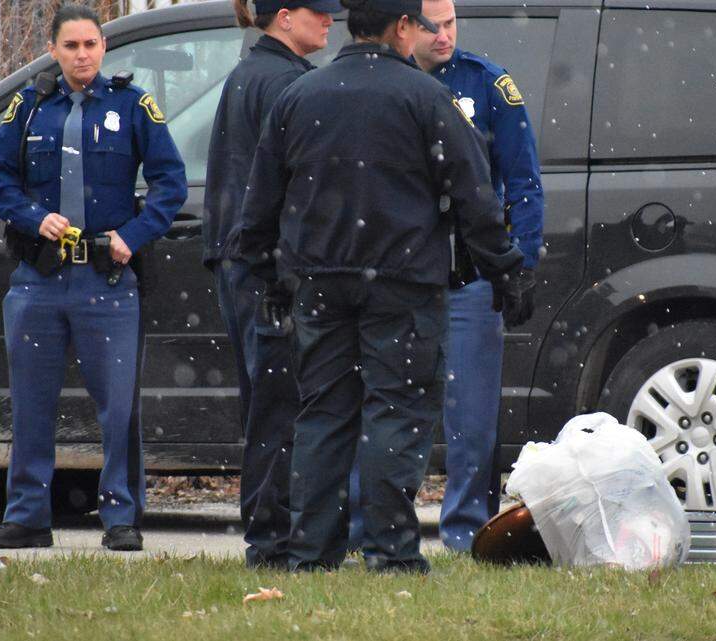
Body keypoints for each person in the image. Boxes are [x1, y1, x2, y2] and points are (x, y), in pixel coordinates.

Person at [236, 0, 531, 573]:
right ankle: (391, 553)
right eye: (417, 25)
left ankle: (312, 553)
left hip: (320, 280)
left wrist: (270, 275)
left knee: (323, 413)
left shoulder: (300, 95)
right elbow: (473, 193)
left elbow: (261, 200)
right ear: (401, 27)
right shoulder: (426, 97)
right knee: (396, 412)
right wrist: (505, 268)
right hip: (404, 282)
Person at [0, 3, 187, 550]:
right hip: (40, 278)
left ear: (104, 47)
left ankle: (121, 517)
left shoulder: (132, 105)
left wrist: (134, 235)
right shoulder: (29, 109)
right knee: (31, 402)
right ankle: (28, 516)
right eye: (70, 46)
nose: (81, 55)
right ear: (52, 50)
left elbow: (170, 182)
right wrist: (33, 218)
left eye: (90, 45)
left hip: (106, 279)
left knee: (118, 407)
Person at [204, 0, 341, 570]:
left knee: (265, 404)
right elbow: (292, 185)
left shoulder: (249, 73)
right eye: (319, 10)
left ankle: (271, 533)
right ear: (284, 16)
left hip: (241, 262)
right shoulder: (286, 82)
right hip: (269, 268)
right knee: (281, 406)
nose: (330, 19)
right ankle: (273, 540)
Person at [410, 0, 542, 551]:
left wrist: (522, 263)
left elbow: (523, 180)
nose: (444, 35)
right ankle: (376, 529)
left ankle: (465, 531)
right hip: (406, 271)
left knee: (472, 417)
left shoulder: (486, 84)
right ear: (405, 25)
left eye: (451, 23)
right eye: (432, 26)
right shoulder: (390, 81)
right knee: (394, 410)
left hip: (470, 273)